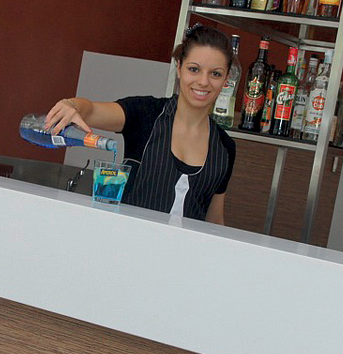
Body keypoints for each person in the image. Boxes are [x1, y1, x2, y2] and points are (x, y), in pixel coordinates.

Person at [45, 25, 236, 224]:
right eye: (194, 69)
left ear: (226, 79)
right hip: (126, 241)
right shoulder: (146, 113)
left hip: (186, 245)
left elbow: (214, 221)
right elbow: (91, 110)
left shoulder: (225, 147)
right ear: (179, 68)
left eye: (215, 74)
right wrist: (72, 105)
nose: (203, 81)